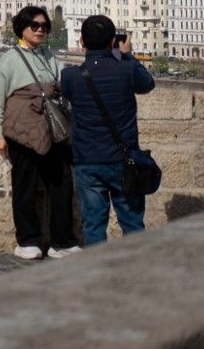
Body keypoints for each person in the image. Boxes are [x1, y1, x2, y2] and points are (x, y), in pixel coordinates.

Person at [0, 6, 80, 259]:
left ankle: (61, 241)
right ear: (22, 28)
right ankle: (28, 240)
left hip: (52, 130)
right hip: (22, 133)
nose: (41, 30)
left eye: (45, 26)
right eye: (35, 26)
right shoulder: (8, 61)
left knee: (61, 184)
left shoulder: (51, 57)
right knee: (25, 187)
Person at [61, 15, 155, 246]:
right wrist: (126, 54)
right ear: (113, 40)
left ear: (81, 41)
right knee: (133, 225)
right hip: (124, 160)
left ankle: (98, 276)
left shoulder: (70, 76)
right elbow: (148, 84)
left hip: (88, 161)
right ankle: (136, 274)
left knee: (94, 226)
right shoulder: (126, 70)